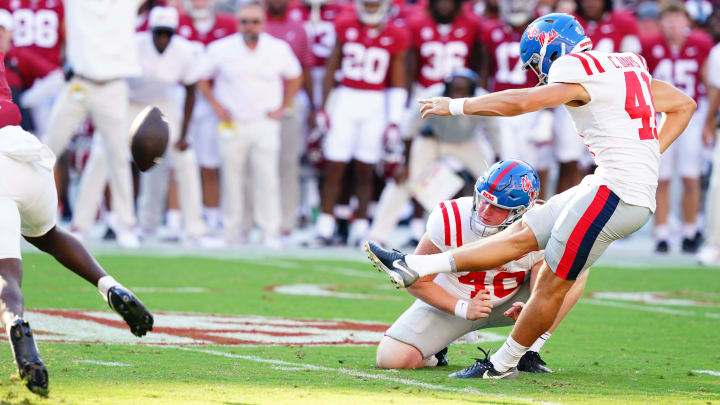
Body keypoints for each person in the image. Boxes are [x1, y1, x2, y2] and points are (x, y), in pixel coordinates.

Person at [366, 12, 696, 378]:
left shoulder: (576, 68)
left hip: (617, 193)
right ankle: (415, 265)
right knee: (523, 234)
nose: (538, 71)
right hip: (611, 185)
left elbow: (524, 102)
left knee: (554, 281)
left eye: (537, 63)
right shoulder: (621, 63)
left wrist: (457, 105)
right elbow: (684, 104)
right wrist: (645, 156)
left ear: (550, 49)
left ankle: (502, 364)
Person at [0, 63, 152, 395]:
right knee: (48, 235)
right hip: (26, 152)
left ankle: (16, 326)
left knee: (5, 273)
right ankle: (110, 286)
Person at [377, 160, 589, 374]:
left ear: (521, 211)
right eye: (483, 199)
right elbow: (416, 279)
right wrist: (461, 308)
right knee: (392, 357)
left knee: (574, 267)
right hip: (456, 300)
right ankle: (438, 349)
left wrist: (533, 308)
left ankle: (529, 351)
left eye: (498, 207)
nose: (485, 210)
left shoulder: (541, 222)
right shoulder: (451, 217)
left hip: (511, 303)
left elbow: (542, 274)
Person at [71, 6, 210, 245]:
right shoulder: (133, 45)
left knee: (185, 158)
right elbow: (113, 78)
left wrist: (184, 135)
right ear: (151, 31)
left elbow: (190, 92)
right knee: (102, 155)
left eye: (167, 33)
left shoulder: (185, 52)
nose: (163, 38)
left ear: (174, 33)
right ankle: (80, 225)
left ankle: (195, 229)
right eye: (159, 33)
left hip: (162, 102)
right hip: (127, 100)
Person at [42, 0, 154, 248]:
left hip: (113, 86)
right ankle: (26, 216)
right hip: (78, 83)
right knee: (47, 150)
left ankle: (126, 225)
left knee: (118, 156)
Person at [198, 1, 302, 247]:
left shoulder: (277, 49)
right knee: (232, 178)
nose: (249, 27)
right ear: (237, 23)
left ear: (263, 24)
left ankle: (270, 231)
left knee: (267, 177)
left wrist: (283, 106)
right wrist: (216, 105)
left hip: (265, 122)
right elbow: (202, 78)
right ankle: (232, 231)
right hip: (232, 123)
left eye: (254, 22)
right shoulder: (221, 48)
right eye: (244, 21)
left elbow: (295, 76)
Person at [312, 0, 409, 246]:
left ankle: (361, 227)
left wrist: (394, 120)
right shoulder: (345, 25)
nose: (371, 6)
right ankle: (325, 226)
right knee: (335, 166)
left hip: (375, 103)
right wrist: (324, 107)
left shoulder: (395, 34)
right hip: (346, 98)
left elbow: (397, 80)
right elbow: (331, 67)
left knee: (366, 169)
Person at [368, 68, 495, 246]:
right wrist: (405, 163)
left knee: (494, 180)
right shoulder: (430, 96)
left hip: (468, 142)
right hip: (432, 140)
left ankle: (499, 235)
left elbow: (496, 132)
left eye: (463, 89)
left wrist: (498, 160)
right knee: (404, 181)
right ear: (446, 88)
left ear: (472, 89)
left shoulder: (483, 99)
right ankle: (377, 235)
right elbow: (409, 131)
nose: (458, 93)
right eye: (455, 89)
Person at [641, 1, 712, 253]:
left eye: (676, 19)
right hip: (659, 116)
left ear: (687, 22)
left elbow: (709, 82)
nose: (672, 24)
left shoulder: (701, 45)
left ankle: (690, 229)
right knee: (662, 176)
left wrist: (708, 122)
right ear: (661, 22)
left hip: (693, 114)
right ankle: (661, 233)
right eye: (668, 19)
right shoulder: (650, 47)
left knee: (691, 175)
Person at [176, 0, 237, 235]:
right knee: (178, 162)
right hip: (180, 96)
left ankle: (212, 219)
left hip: (213, 99)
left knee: (210, 163)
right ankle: (177, 220)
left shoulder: (227, 25)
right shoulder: (177, 23)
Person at [698, 39, 720, 266]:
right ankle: (716, 245)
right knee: (717, 186)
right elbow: (716, 91)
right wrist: (708, 123)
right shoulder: (717, 52)